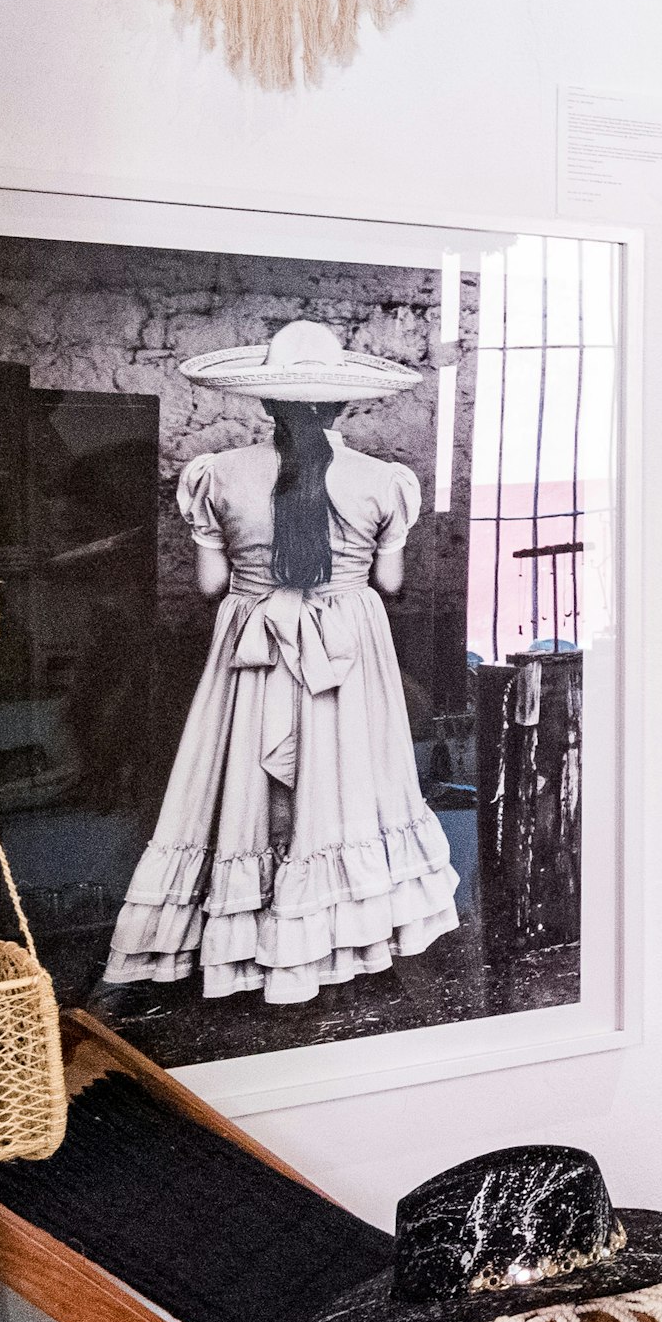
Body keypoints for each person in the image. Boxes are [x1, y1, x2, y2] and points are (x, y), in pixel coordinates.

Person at [106, 321, 460, 1004]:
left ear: (266, 403)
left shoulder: (217, 476)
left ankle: (255, 939)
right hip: (346, 644)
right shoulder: (383, 481)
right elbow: (388, 586)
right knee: (345, 781)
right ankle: (332, 937)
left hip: (253, 640)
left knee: (248, 785)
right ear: (343, 405)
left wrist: (260, 575)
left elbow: (211, 588)